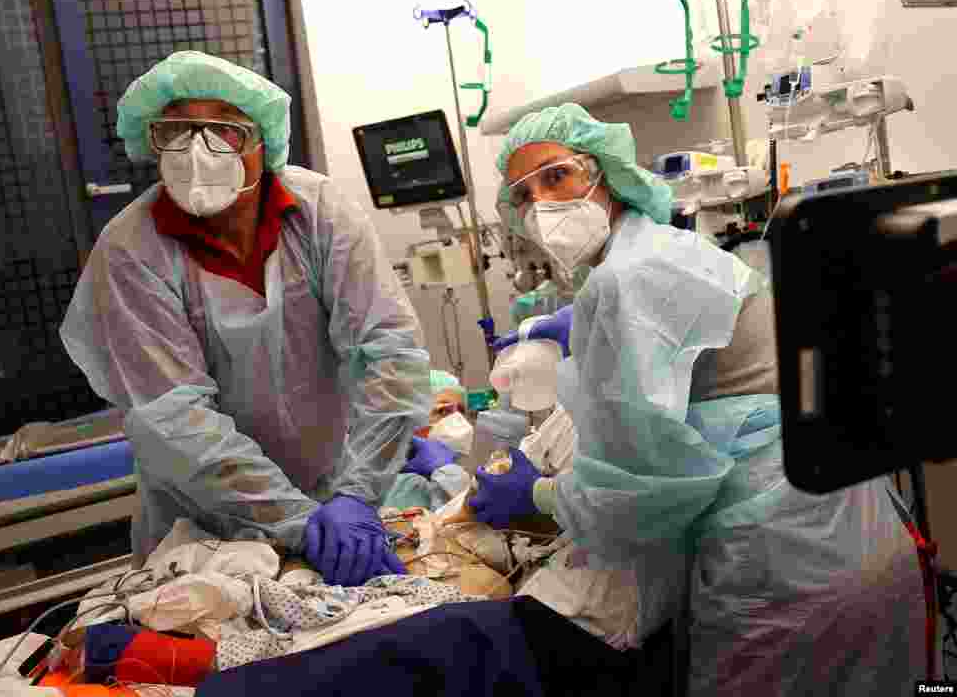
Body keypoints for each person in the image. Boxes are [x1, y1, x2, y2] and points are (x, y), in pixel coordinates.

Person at [472, 103, 925, 695]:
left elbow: (642, 487)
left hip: (778, 565)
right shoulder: (665, 247)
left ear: (604, 173)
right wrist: (581, 330)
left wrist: (537, 493)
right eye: (524, 195)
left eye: (557, 176)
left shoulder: (624, 279)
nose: (543, 206)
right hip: (845, 520)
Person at [59, 51, 432, 588]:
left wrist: (356, 496)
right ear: (151, 140)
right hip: (204, 522)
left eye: (224, 131)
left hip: (337, 494)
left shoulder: (320, 212)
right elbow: (175, 418)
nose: (198, 151)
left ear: (263, 142)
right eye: (178, 131)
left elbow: (390, 351)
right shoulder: (132, 248)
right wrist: (300, 523)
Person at [383, 370, 474, 512]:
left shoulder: (448, 477)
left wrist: (448, 474)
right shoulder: (384, 484)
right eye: (443, 411)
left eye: (461, 411)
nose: (458, 421)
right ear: (410, 416)